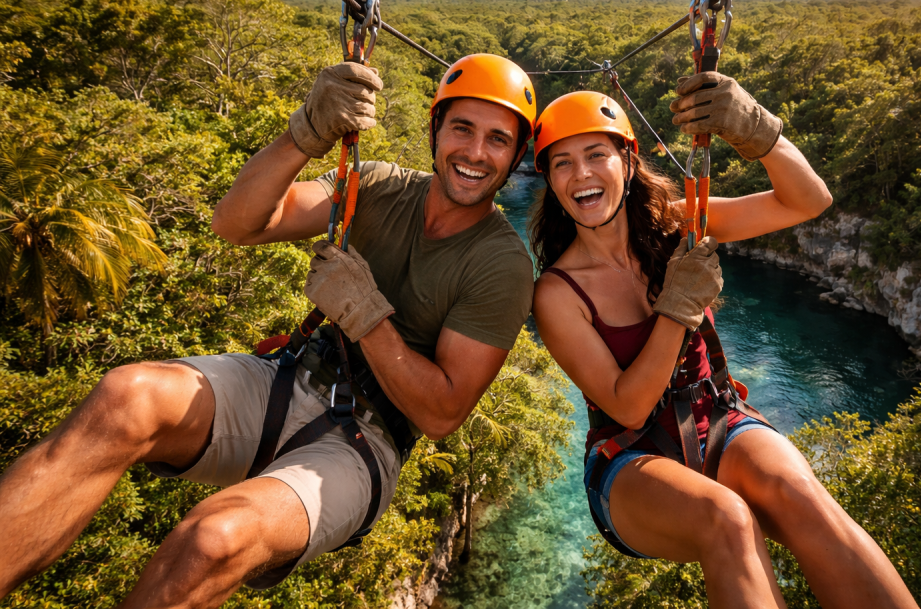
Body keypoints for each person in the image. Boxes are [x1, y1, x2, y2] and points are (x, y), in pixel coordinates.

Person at [0, 53, 537, 605]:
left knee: (214, 539)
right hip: (291, 377)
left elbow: (441, 414)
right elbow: (239, 223)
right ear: (435, 131)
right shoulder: (377, 185)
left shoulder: (502, 265)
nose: (476, 152)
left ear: (517, 155)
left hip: (367, 440)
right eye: (462, 128)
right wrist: (306, 133)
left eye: (498, 140)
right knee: (124, 398)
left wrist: (366, 316)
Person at [530, 77, 919, 608]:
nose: (582, 174)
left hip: (716, 417)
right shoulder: (557, 293)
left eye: (597, 155)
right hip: (629, 458)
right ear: (551, 182)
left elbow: (808, 201)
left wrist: (757, 131)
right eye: (563, 163)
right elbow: (629, 405)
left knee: (804, 498)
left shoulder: (678, 222)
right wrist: (678, 307)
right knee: (726, 519)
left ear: (627, 161)